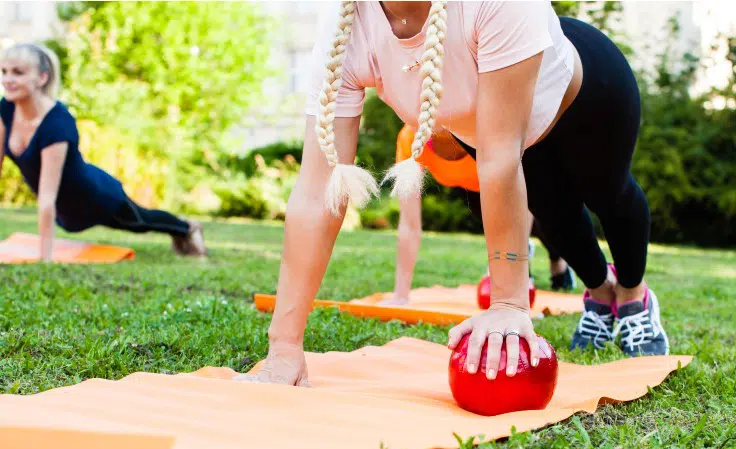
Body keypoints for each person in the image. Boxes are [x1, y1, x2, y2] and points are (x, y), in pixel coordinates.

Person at [242, 1, 669, 388]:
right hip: (504, 134)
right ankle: (599, 292)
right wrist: (283, 347)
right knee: (555, 215)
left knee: (608, 194)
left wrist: (508, 304)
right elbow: (318, 190)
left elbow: (499, 160)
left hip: (588, 94)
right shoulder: (345, 26)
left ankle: (633, 294)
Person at [0, 43, 206, 260]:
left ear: (42, 78)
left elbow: (47, 197)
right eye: (4, 71)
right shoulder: (6, 108)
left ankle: (187, 227)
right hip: (67, 210)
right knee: (136, 221)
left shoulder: (57, 123)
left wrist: (45, 260)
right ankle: (183, 228)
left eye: (18, 73)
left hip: (96, 197)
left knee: (141, 221)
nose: (7, 79)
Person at [388, 123, 575, 304]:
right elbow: (409, 225)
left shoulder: (483, 126)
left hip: (514, 182)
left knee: (545, 226)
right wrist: (400, 296)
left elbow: (520, 192)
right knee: (497, 233)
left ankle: (557, 260)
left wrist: (509, 264)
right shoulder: (409, 138)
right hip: (471, 186)